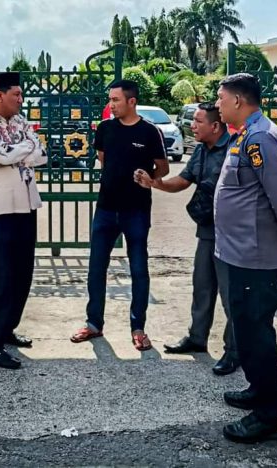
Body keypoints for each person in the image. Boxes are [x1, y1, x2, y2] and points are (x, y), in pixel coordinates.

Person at [214, 73, 277, 443]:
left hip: (255, 256)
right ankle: (259, 390)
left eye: (221, 98)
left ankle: (269, 415)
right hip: (240, 252)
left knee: (256, 333)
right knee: (246, 328)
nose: (218, 104)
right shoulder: (246, 134)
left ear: (239, 101)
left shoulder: (260, 139)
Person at [140, 102, 239, 375]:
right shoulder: (201, 151)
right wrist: (156, 183)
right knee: (202, 285)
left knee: (231, 295)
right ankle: (197, 338)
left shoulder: (234, 150)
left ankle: (234, 351)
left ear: (215, 126)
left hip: (232, 234)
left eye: (197, 121)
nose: (192, 125)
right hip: (208, 229)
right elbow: (182, 181)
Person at [70, 79, 169, 351]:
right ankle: (93, 324)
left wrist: (150, 177)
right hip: (105, 209)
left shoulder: (150, 132)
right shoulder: (105, 129)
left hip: (136, 211)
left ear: (131, 102)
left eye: (115, 100)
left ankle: (138, 328)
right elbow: (103, 159)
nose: (111, 105)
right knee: (96, 268)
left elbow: (163, 167)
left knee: (138, 269)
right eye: (110, 99)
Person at [0, 71, 47, 369]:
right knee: (0, 276)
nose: (21, 100)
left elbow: (41, 153)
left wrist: (19, 152)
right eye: (16, 94)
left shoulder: (20, 121)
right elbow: (1, 156)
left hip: (26, 203)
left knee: (22, 272)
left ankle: (7, 329)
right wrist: (22, 150)